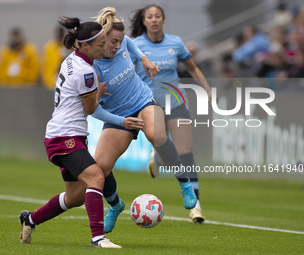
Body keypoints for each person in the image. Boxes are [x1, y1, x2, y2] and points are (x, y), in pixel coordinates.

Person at [90, 7, 197, 233]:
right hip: (119, 117)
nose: (118, 47)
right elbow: (93, 111)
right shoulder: (91, 67)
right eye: (113, 42)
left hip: (143, 101)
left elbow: (130, 43)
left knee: (156, 134)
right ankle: (116, 206)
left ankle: (184, 183)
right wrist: (121, 123)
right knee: (101, 167)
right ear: (100, 40)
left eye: (120, 41)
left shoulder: (123, 43)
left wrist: (145, 59)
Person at [18, 17, 121, 248]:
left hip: (63, 134)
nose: (105, 47)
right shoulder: (85, 73)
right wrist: (98, 92)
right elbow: (91, 109)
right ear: (85, 45)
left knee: (74, 197)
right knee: (96, 176)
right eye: (101, 43)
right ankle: (98, 238)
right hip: (65, 136)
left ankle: (30, 219)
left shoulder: (72, 59)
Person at [130, 4, 213, 223]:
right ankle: (158, 158)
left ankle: (195, 206)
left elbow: (193, 68)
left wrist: (207, 88)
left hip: (176, 101)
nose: (154, 19)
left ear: (164, 19)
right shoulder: (136, 45)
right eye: (150, 16)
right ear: (144, 21)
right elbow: (129, 74)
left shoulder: (175, 42)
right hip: (149, 104)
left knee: (186, 152)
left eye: (158, 16)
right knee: (168, 156)